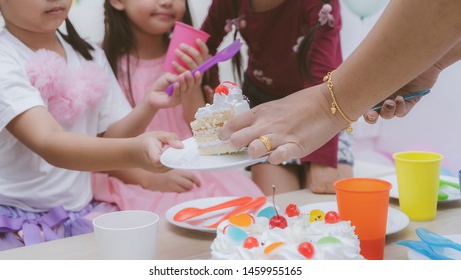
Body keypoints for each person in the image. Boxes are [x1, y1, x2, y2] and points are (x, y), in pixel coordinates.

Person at [0, 0, 197, 253]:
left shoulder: (88, 53)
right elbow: (50, 143)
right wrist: (135, 152)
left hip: (79, 214)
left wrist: (148, 105)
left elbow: (110, 138)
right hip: (12, 223)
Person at [218, 0, 461, 166]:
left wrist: (326, 106)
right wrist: (431, 65)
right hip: (289, 110)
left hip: (319, 106)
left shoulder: (319, 6)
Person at [93, 0, 264, 216]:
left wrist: (194, 80)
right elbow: (105, 150)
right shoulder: (103, 65)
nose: (166, 2)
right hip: (135, 176)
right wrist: (150, 178)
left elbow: (201, 132)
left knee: (245, 213)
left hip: (195, 167)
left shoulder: (191, 58)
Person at [200, 0, 352, 195]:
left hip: (325, 108)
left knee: (329, 195)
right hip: (266, 107)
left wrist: (323, 161)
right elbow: (204, 47)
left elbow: (321, 80)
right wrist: (217, 101)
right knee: (278, 205)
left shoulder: (321, 4)